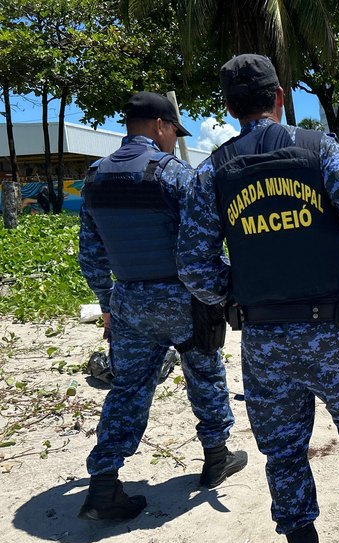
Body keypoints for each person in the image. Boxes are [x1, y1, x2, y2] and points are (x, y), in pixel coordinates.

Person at [176, 54, 339, 543]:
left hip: (263, 338)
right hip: (332, 329)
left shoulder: (212, 170)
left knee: (283, 451)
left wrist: (238, 292)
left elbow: (194, 266)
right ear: (279, 97)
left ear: (229, 106)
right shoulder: (318, 150)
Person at [77, 92, 246, 521]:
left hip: (129, 299)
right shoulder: (173, 174)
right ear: (158, 125)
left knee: (129, 387)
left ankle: (103, 486)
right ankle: (215, 457)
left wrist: (107, 303)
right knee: (204, 372)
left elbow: (91, 254)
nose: (174, 138)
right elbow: (203, 240)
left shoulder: (94, 177)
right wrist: (220, 288)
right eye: (173, 129)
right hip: (180, 297)